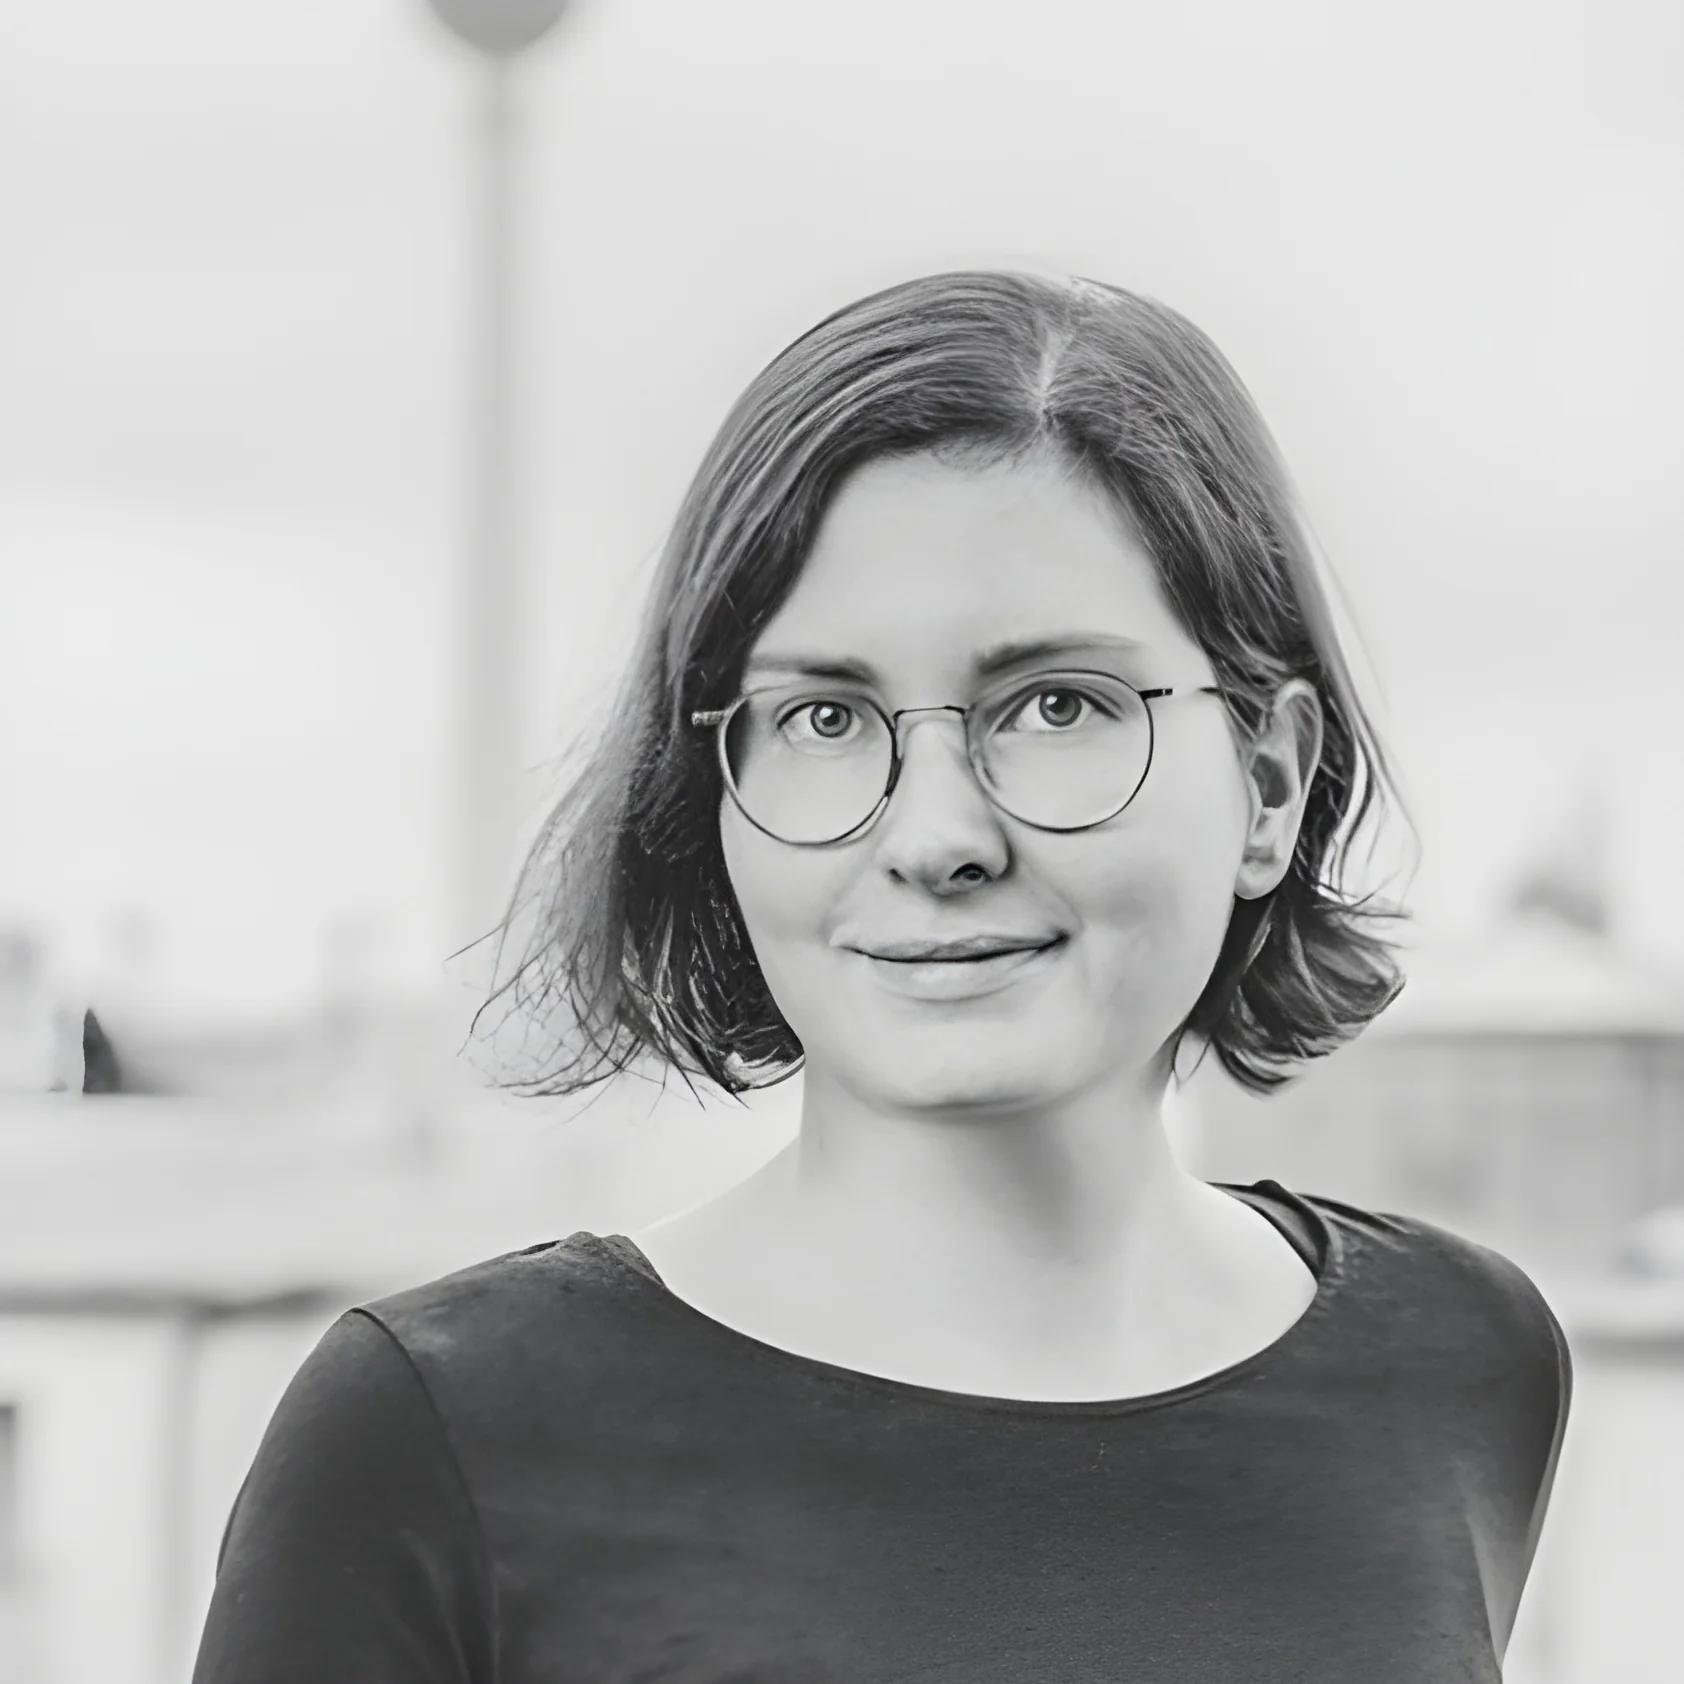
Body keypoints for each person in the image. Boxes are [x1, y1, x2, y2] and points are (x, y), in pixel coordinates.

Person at [192, 270, 1572, 1682]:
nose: (935, 837)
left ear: (1268, 781)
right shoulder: (432, 1436)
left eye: (1057, 705)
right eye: (825, 717)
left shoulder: (1464, 1362)